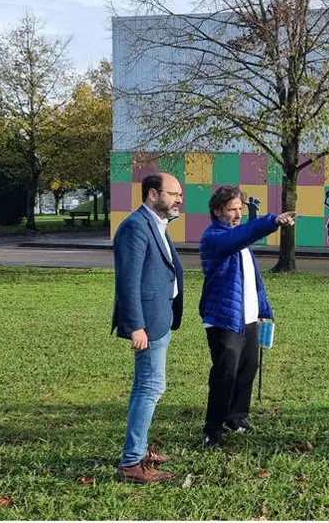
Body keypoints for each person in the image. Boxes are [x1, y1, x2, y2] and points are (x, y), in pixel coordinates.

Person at [198, 186, 296, 447]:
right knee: (225, 374)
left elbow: (252, 281)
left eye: (240, 208)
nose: (238, 214)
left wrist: (262, 311)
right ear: (217, 211)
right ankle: (213, 428)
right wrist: (272, 221)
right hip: (224, 318)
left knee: (247, 369)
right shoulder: (214, 238)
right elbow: (242, 236)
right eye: (232, 209)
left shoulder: (238, 241)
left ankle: (237, 417)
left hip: (248, 317)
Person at [111, 172, 185, 484]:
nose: (179, 199)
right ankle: (132, 462)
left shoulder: (156, 224)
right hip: (147, 323)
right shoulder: (136, 227)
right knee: (150, 387)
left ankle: (139, 449)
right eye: (173, 194)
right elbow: (127, 282)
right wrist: (136, 326)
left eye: (180, 194)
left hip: (160, 317)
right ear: (153, 195)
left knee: (146, 386)